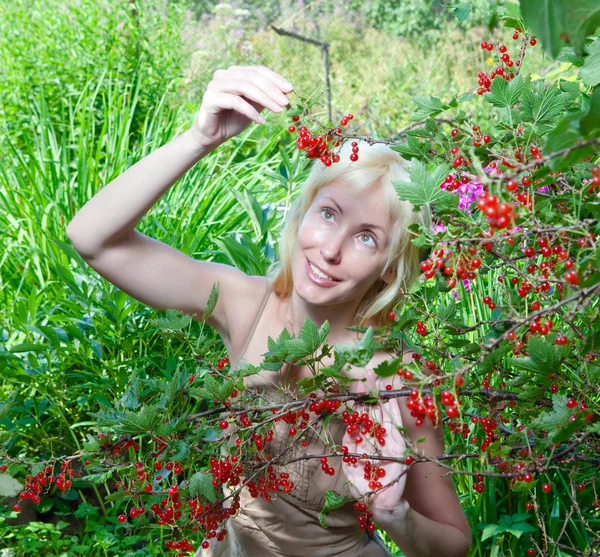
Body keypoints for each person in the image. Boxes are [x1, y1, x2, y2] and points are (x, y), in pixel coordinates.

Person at [66, 65, 472, 557]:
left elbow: (453, 544)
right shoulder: (244, 304)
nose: (330, 250)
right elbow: (92, 239)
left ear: (389, 267)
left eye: (367, 237)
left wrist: (395, 516)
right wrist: (201, 138)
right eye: (329, 214)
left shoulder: (396, 378)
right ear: (303, 214)